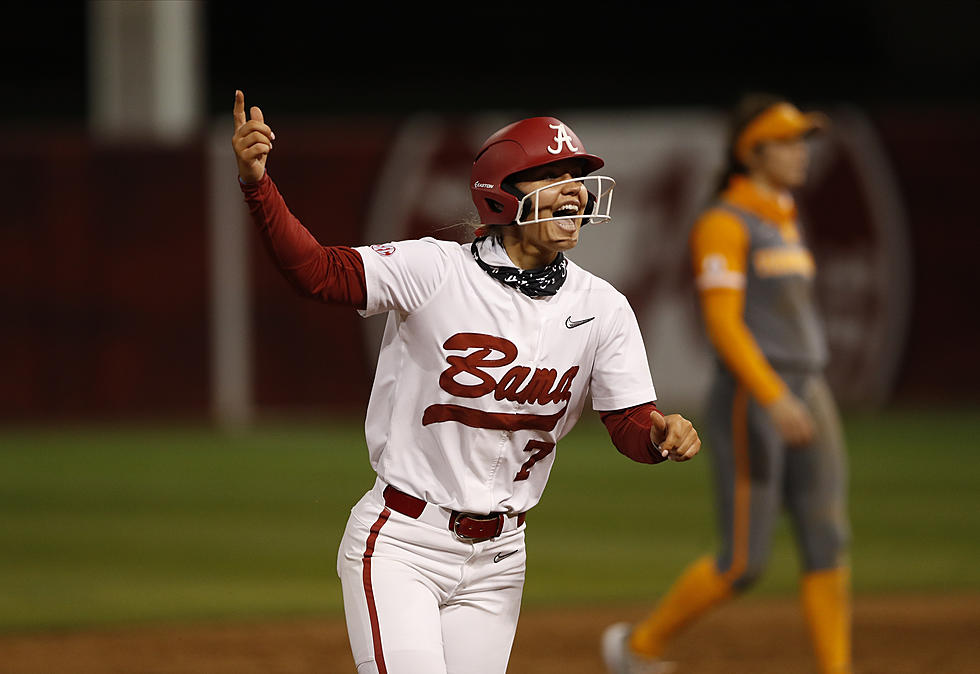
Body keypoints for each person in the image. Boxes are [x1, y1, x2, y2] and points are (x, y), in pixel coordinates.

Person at [231, 90, 701, 674]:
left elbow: (629, 425)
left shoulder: (603, 307)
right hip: (404, 541)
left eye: (577, 176)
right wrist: (258, 184)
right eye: (551, 175)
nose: (575, 190)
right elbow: (318, 273)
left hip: (502, 557)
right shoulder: (436, 270)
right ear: (503, 193)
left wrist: (660, 436)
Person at [601, 95, 852, 674]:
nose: (801, 152)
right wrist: (771, 395)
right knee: (744, 561)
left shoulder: (781, 215)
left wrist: (793, 392)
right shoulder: (724, 222)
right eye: (789, 142)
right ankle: (637, 649)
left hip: (806, 386)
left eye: (802, 141)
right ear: (753, 152)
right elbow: (722, 323)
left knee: (827, 537)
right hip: (753, 395)